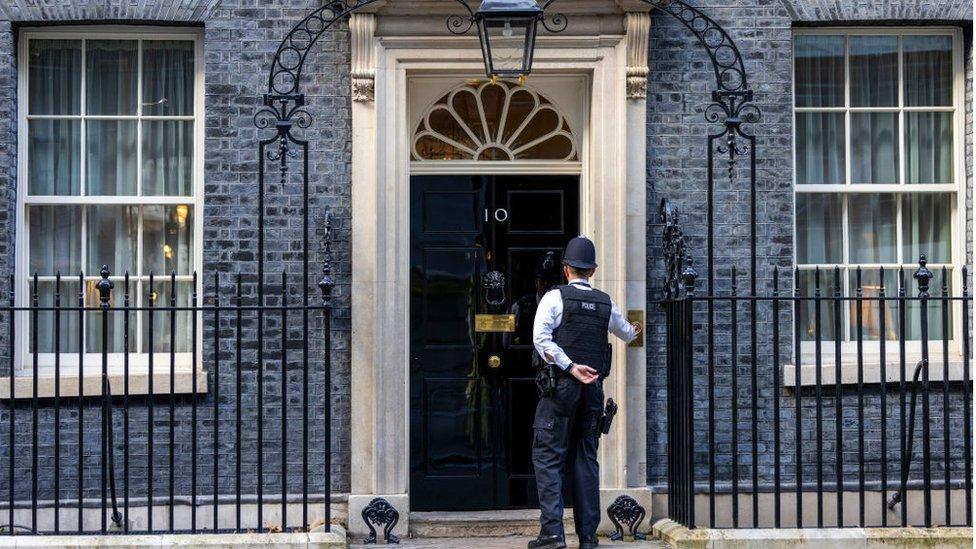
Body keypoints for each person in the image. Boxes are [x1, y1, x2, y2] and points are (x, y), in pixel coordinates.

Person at [529, 236, 640, 549]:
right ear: (592, 270)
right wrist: (637, 327)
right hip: (593, 390)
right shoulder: (606, 303)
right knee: (586, 460)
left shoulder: (554, 298)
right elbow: (629, 334)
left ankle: (552, 533)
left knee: (548, 458)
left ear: (566, 269)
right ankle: (588, 537)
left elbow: (541, 339)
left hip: (560, 388)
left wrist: (570, 365)